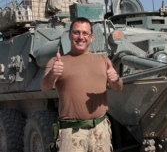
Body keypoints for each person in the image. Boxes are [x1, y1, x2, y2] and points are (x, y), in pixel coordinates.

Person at [41, 17, 123, 152]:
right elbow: (45, 87)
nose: (81, 37)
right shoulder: (57, 61)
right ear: (69, 35)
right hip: (73, 133)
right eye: (76, 32)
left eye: (85, 33)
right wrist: (53, 74)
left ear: (91, 37)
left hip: (100, 130)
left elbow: (118, 88)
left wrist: (116, 80)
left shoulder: (103, 60)